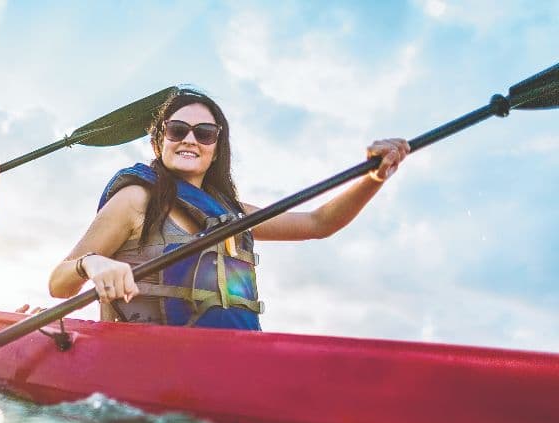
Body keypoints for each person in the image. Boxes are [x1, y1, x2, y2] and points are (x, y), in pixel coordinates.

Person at [48, 89, 410, 330]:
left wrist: (374, 177)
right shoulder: (135, 200)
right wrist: (92, 262)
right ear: (159, 142)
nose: (190, 139)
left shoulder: (232, 215)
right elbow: (58, 283)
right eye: (177, 130)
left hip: (228, 360)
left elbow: (319, 222)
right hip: (146, 365)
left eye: (204, 133)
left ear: (217, 148)